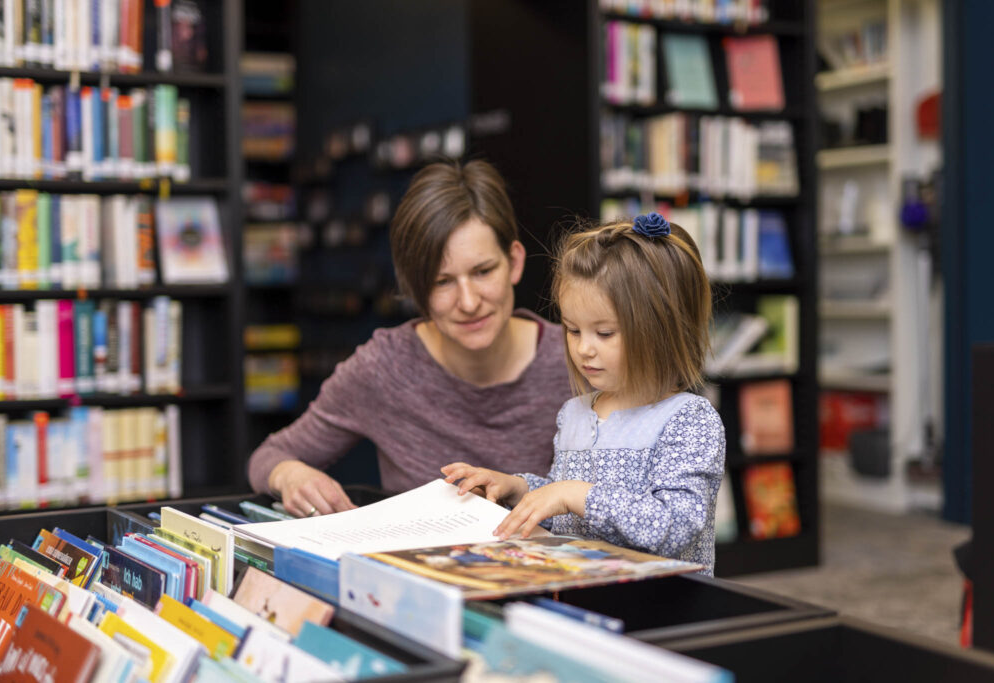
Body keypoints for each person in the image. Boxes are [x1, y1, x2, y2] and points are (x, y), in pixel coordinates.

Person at [247, 160, 572, 518]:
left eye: (482, 272)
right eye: (442, 282)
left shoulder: (578, 358)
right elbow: (268, 457)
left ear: (513, 262)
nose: (468, 302)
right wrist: (292, 474)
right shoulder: (385, 366)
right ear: (416, 290)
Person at [441, 212, 725, 574]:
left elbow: (674, 526)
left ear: (661, 330)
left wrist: (573, 495)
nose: (583, 349)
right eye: (573, 330)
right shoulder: (574, 413)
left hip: (665, 608)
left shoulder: (688, 420)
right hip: (585, 595)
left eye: (604, 333)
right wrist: (515, 488)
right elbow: (565, 508)